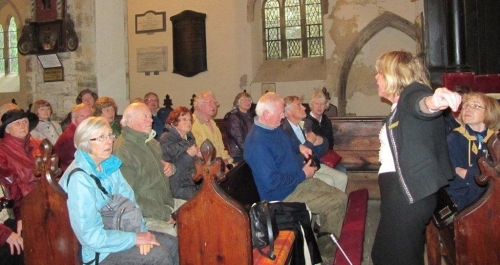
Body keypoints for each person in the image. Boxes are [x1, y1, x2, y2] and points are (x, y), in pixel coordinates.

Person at [370, 51, 461, 265]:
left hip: (407, 196)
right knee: (385, 255)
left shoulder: (413, 93)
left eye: (380, 72)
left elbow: (421, 104)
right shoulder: (397, 107)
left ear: (394, 75)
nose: (376, 77)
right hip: (401, 194)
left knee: (396, 258)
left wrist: (433, 102)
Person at [59, 117, 178, 265]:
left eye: (110, 135)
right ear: (85, 142)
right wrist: (135, 239)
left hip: (121, 230)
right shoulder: (80, 179)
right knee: (158, 255)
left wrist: (141, 233)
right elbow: (90, 236)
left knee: (173, 244)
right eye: (101, 137)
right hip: (98, 252)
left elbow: (131, 203)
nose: (109, 141)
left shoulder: (109, 166)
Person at [243, 92, 347, 262]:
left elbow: (288, 141)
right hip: (282, 196)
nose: (283, 116)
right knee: (337, 203)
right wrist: (303, 174)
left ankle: (317, 245)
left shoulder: (273, 128)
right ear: (267, 114)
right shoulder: (257, 143)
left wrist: (300, 147)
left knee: (340, 196)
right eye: (280, 113)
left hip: (297, 183)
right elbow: (272, 182)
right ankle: (326, 256)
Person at [113, 103, 176, 236]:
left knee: (200, 212)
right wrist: (163, 213)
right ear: (130, 120)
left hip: (166, 203)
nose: (151, 120)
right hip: (146, 214)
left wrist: (171, 168)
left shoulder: (149, 141)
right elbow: (128, 197)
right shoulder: (123, 150)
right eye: (145, 117)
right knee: (176, 234)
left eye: (150, 116)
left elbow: (164, 166)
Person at [446, 92, 500, 210]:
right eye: (465, 106)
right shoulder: (453, 139)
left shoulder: (496, 140)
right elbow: (454, 178)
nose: (468, 109)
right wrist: (483, 177)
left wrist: (468, 173)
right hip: (467, 204)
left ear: (489, 112)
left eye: (475, 106)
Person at [282, 95, 348, 192]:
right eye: (299, 105)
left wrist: (321, 140)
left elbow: (326, 145)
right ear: (288, 111)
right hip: (300, 168)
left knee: (342, 178)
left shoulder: (305, 124)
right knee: (328, 181)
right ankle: (327, 205)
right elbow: (296, 157)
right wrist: (310, 142)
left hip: (314, 162)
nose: (304, 107)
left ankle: (336, 205)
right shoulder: (285, 130)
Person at [0, 109, 41, 263]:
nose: (23, 125)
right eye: (18, 123)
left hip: (40, 200)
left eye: (25, 121)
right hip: (23, 205)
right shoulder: (2, 151)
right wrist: (21, 215)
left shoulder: (37, 143)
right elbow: (12, 186)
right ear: (7, 129)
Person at [159, 107, 201, 209]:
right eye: (184, 119)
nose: (189, 122)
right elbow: (171, 168)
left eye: (190, 119)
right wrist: (188, 154)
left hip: (190, 182)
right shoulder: (167, 138)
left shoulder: (189, 137)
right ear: (174, 122)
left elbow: (191, 164)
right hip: (177, 185)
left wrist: (198, 156)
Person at [304, 91, 347, 173]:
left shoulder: (326, 121)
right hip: (314, 157)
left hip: (326, 156)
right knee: (338, 173)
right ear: (311, 105)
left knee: (342, 170)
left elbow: (331, 141)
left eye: (322, 104)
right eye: (316, 103)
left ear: (325, 106)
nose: (319, 107)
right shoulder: (306, 122)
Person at [192, 91, 233, 165]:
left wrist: (228, 162)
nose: (214, 106)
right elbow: (203, 153)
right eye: (210, 102)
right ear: (199, 105)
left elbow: (221, 149)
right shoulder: (193, 124)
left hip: (220, 164)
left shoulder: (213, 123)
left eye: (215, 103)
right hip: (206, 167)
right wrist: (222, 164)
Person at [54, 103, 92, 174]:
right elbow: (84, 161)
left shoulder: (83, 132)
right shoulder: (70, 137)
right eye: (82, 117)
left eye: (89, 116)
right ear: (73, 120)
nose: (87, 120)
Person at [224, 92, 254, 163]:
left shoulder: (249, 116)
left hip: (247, 151)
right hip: (238, 154)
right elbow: (239, 140)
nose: (248, 102)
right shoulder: (234, 117)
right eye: (244, 100)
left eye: (249, 100)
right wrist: (252, 153)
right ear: (238, 103)